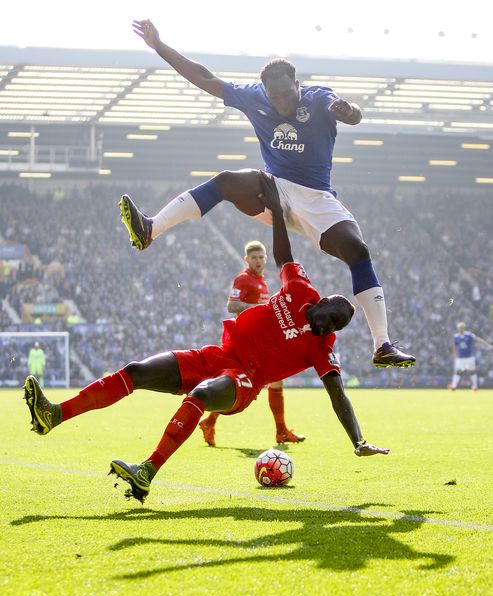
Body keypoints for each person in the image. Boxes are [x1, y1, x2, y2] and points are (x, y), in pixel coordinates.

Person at [23, 174, 389, 503]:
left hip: (244, 381)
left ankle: (146, 471)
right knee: (136, 371)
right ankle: (53, 415)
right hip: (217, 356)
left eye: (335, 329)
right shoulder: (300, 289)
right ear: (322, 302)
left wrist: (358, 441)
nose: (328, 330)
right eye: (331, 320)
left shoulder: (322, 347)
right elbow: (284, 253)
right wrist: (277, 210)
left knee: (200, 395)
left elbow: (337, 394)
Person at [119, 18, 416, 371]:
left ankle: (382, 344)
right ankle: (150, 228)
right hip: (272, 187)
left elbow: (354, 115)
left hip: (315, 197)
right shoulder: (255, 98)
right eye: (274, 97)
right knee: (228, 179)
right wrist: (160, 46)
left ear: (298, 84)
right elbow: (204, 77)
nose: (281, 103)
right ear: (265, 91)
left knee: (358, 251)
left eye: (287, 95)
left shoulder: (320, 98)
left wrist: (348, 111)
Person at [199, 240, 305, 446]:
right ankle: (210, 421)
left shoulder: (262, 280)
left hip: (258, 339)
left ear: (266, 258)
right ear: (246, 260)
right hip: (245, 341)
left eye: (261, 257)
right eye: (254, 258)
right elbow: (232, 305)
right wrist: (258, 307)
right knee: (243, 386)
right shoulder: (243, 279)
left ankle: (280, 431)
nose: (257, 261)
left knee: (275, 380)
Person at [448, 321, 493, 391]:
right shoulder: (456, 337)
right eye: (459, 328)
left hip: (469, 357)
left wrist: (487, 344)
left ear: (464, 328)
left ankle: (474, 386)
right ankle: (454, 386)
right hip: (460, 357)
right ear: (458, 328)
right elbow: (454, 346)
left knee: (472, 372)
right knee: (457, 371)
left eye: (462, 327)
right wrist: (454, 355)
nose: (460, 329)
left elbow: (478, 339)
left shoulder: (469, 335)